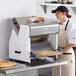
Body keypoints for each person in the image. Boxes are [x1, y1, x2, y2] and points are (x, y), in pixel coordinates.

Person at [27, 6, 76, 76]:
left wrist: (61, 51)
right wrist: (34, 19)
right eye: (55, 13)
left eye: (57, 13)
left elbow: (72, 43)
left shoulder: (71, 26)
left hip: (67, 56)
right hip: (57, 55)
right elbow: (44, 19)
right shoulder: (57, 22)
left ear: (64, 13)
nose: (56, 15)